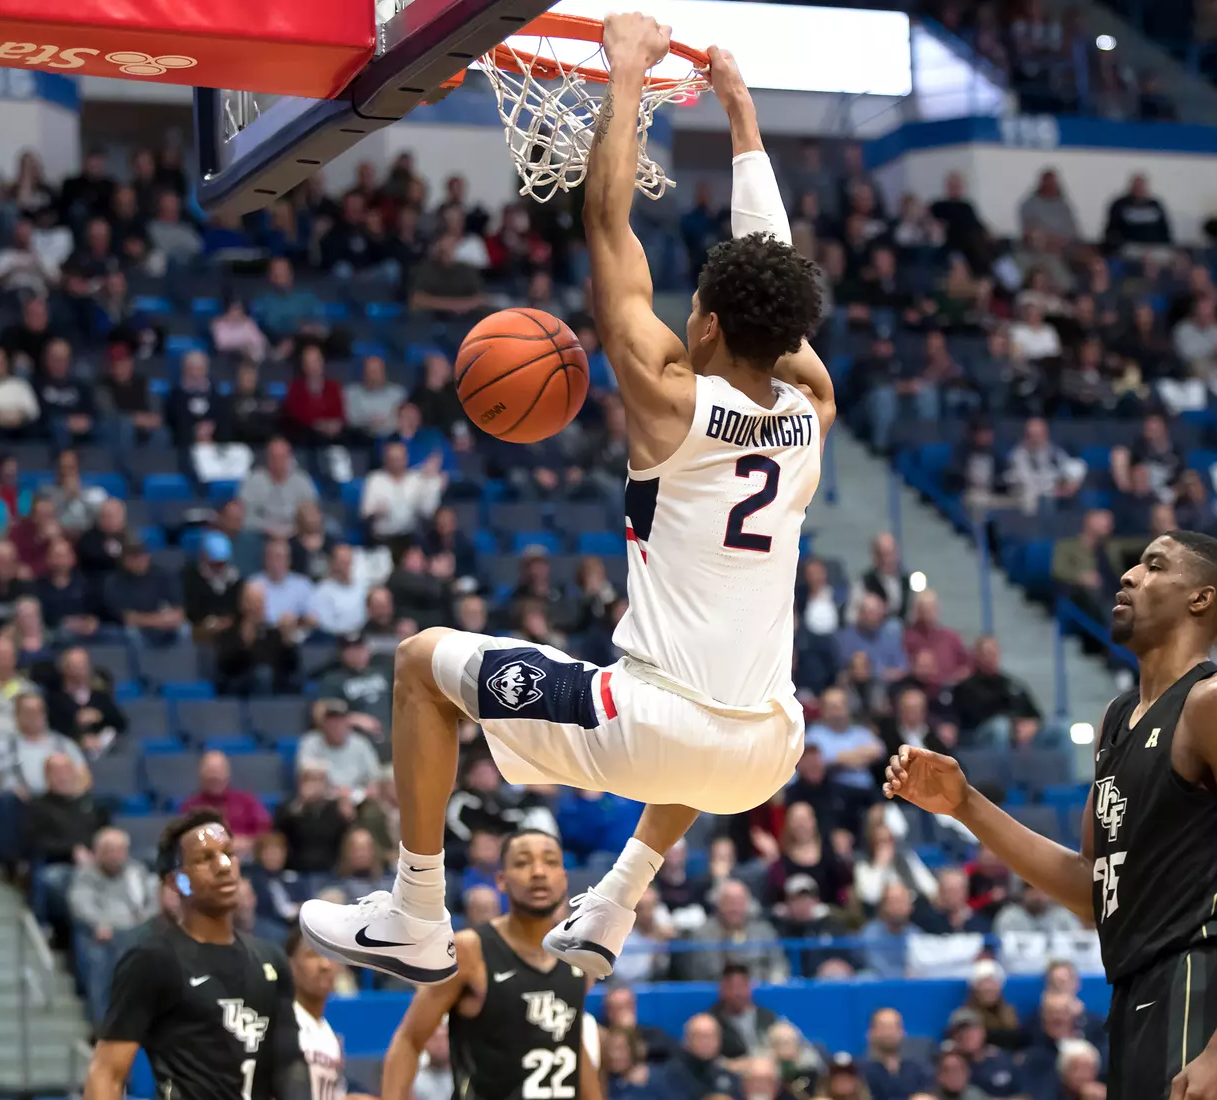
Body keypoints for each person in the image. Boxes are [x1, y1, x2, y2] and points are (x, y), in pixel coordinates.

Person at [299, 23, 833, 986]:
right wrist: (741, 119)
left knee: (422, 664)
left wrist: (625, 70)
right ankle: (617, 899)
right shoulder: (814, 413)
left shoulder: (669, 398)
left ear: (706, 323)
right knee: (728, 712)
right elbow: (772, 284)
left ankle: (414, 914)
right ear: (788, 336)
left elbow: (608, 222)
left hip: (651, 725)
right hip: (766, 754)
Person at [886, 530, 1217, 1100]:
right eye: (1135, 564)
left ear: (1201, 599)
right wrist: (966, 805)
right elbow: (1093, 894)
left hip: (1196, 982)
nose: (1129, 576)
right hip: (1133, 991)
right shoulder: (1116, 721)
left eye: (1154, 566)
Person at [82, 810, 310, 1100]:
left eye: (229, 853)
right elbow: (106, 1073)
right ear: (178, 882)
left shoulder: (271, 958)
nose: (224, 866)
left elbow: (289, 1065)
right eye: (205, 859)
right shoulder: (151, 960)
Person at [375, 829, 601, 1100]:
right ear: (501, 881)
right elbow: (409, 1040)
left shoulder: (577, 956)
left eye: (551, 861)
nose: (539, 872)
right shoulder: (470, 950)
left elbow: (572, 1045)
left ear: (564, 879)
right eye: (523, 862)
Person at [286, 929, 358, 1100]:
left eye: (332, 955)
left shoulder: (330, 1035)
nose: (325, 964)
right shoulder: (279, 1022)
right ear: (290, 964)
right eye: (312, 955)